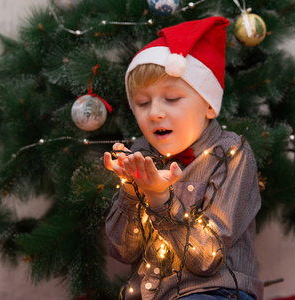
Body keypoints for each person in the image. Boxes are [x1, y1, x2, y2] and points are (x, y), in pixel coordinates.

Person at [104, 16, 263, 300]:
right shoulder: (139, 153)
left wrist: (158, 198)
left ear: (209, 105)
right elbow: (121, 251)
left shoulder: (232, 154)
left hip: (217, 292)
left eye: (172, 98)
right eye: (142, 103)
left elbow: (205, 260)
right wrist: (131, 189)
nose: (154, 113)